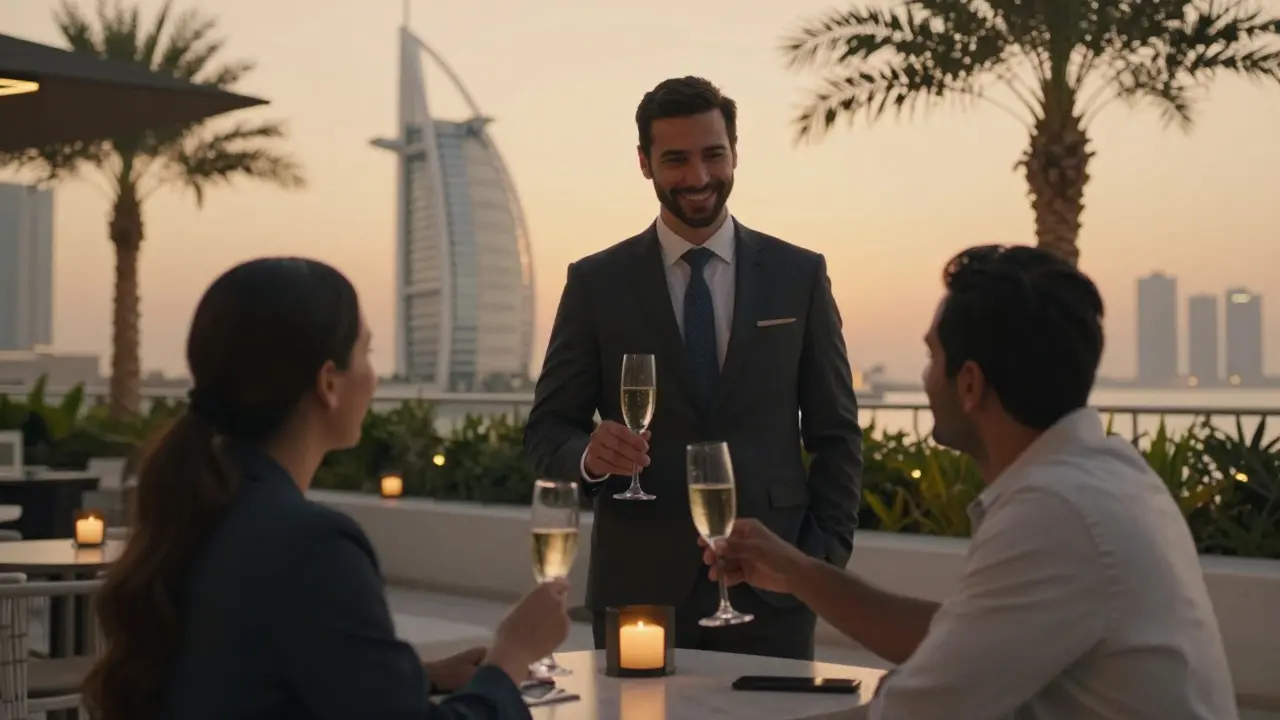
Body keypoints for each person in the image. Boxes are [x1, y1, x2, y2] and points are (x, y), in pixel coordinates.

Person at [703, 245, 1238, 719]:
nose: (924, 377)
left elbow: (909, 712)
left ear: (970, 384)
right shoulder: (1108, 474)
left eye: (932, 356)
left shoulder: (1056, 513)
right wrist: (799, 571)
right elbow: (956, 639)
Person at [82, 258, 570, 720]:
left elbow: (245, 681)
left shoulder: (203, 507)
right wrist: (512, 654)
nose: (375, 379)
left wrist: (416, 678)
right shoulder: (308, 545)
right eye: (366, 352)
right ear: (328, 383)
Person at [524, 76, 863, 660]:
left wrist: (816, 561)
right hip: (638, 590)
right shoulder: (596, 284)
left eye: (713, 155)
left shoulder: (798, 275)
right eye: (675, 159)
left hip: (773, 587)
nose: (699, 177)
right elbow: (547, 430)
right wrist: (589, 455)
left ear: (735, 152)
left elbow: (836, 433)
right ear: (644, 163)